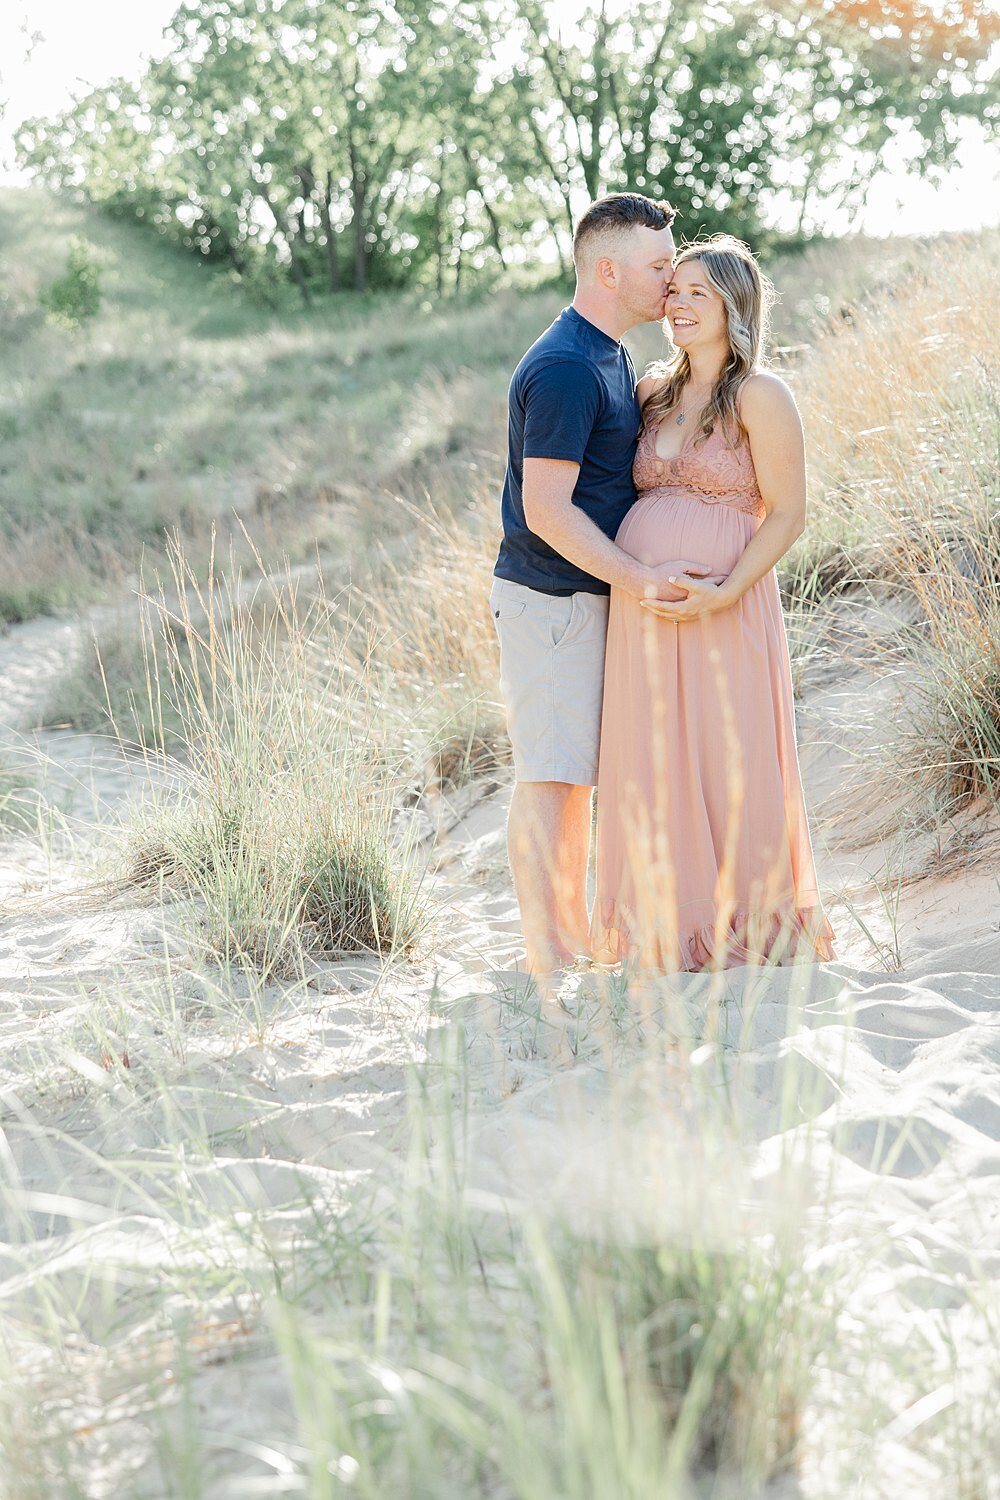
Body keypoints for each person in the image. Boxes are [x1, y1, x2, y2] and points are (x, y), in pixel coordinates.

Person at [590, 235, 836, 972]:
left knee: (729, 764)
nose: (680, 304)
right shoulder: (650, 392)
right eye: (676, 290)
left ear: (736, 305)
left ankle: (746, 930)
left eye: (699, 292)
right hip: (644, 614)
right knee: (653, 761)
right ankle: (664, 929)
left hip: (726, 609)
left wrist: (724, 591)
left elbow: (789, 513)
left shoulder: (763, 395)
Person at [489, 193, 715, 977]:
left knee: (575, 777)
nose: (671, 278)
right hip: (550, 602)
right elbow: (546, 511)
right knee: (552, 777)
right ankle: (546, 951)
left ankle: (571, 937)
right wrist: (640, 577)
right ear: (610, 270)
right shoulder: (564, 367)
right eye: (659, 266)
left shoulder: (612, 352)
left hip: (586, 600)